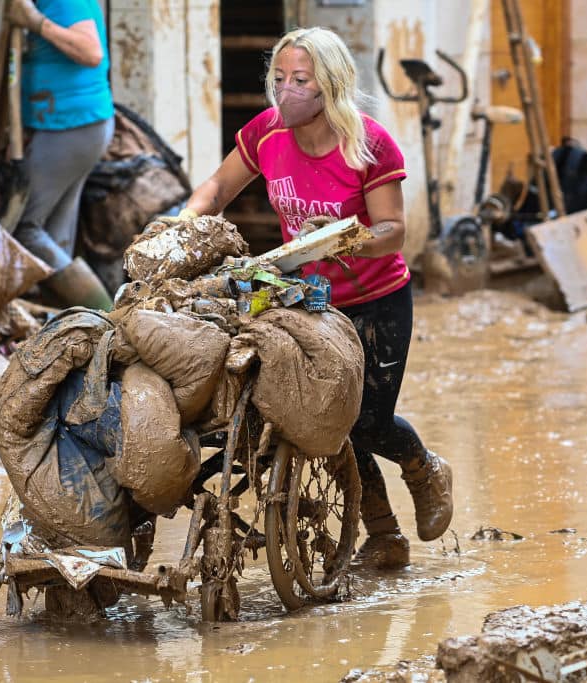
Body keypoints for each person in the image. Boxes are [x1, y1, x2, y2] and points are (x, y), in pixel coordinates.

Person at [181, 27, 453, 568]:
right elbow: (216, 189)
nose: (286, 91)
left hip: (378, 299)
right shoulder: (267, 133)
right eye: (278, 79)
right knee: (324, 422)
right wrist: (180, 226)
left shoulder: (369, 145)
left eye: (300, 80)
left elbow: (395, 231)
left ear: (329, 84)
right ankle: (384, 534)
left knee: (369, 421)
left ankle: (423, 467)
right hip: (313, 301)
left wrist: (347, 234)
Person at [7, 0, 114, 310]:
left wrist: (36, 22)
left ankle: (106, 316)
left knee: (25, 229)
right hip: (75, 124)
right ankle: (73, 327)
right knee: (55, 235)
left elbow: (90, 52)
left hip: (70, 125)